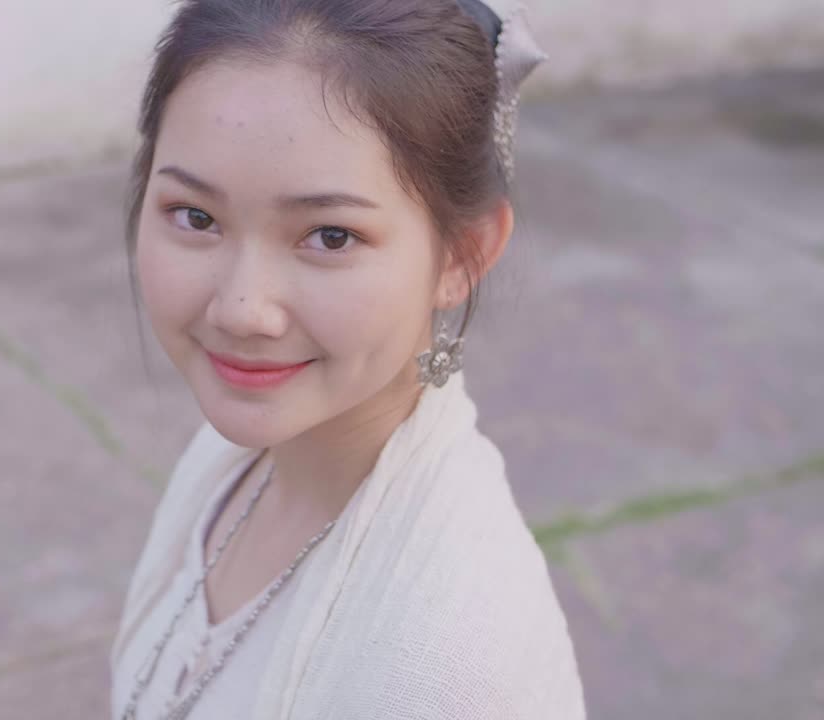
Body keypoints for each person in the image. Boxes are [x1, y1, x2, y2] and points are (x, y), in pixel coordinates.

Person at [108, 0, 584, 717]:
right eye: (196, 217)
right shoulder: (233, 460)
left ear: (463, 254)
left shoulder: (450, 664)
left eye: (330, 236)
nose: (242, 310)